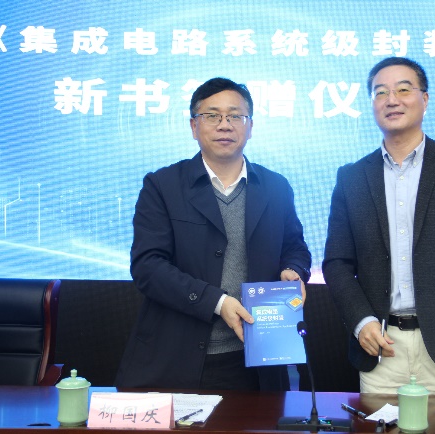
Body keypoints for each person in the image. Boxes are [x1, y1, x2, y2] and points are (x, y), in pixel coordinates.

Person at [322, 57, 435, 395]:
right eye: (380, 92)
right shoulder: (352, 178)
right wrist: (362, 322)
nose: (391, 100)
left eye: (403, 89)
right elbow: (337, 263)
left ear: (425, 99)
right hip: (382, 347)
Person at [115, 77, 311, 391]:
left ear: (250, 126)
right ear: (194, 126)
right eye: (212, 115)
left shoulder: (276, 186)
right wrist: (217, 302)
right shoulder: (162, 186)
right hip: (178, 357)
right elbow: (148, 267)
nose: (224, 125)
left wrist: (293, 269)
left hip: (258, 359)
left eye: (235, 116)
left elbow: (295, 248)